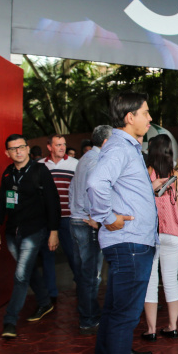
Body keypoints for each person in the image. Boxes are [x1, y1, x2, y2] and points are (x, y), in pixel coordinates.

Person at [87, 91, 159, 354]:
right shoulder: (119, 146)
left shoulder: (125, 147)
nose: (150, 118)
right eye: (145, 113)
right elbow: (96, 183)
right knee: (123, 319)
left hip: (130, 242)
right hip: (130, 243)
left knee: (115, 315)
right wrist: (108, 217)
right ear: (129, 117)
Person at [0, 134, 61, 339]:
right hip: (12, 232)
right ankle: (45, 302)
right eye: (13, 149)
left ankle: (10, 321)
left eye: (21, 147)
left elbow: (52, 202)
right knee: (27, 271)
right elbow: (1, 202)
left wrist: (53, 232)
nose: (18, 151)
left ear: (28, 149)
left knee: (20, 275)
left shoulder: (40, 171)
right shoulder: (8, 174)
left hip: (34, 231)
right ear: (7, 153)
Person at [141, 134, 178, 342]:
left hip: (151, 233)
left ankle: (151, 329)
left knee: (150, 281)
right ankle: (172, 326)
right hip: (173, 233)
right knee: (171, 280)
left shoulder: (146, 173)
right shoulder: (176, 174)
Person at [68, 124, 112, 335]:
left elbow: (72, 188)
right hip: (87, 223)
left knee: (84, 272)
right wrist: (96, 218)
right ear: (105, 142)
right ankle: (89, 319)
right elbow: (93, 191)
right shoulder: (96, 160)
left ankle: (87, 314)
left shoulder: (84, 159)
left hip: (76, 219)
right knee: (91, 274)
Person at [42, 134, 79, 303]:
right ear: (49, 147)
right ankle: (51, 294)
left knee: (73, 254)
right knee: (47, 257)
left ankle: (81, 286)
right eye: (58, 145)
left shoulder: (75, 164)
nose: (62, 147)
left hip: (68, 217)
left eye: (63, 144)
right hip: (46, 219)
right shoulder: (40, 166)